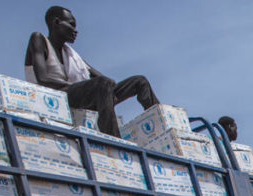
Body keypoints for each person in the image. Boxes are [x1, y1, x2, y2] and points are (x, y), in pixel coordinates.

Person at [25, 6, 160, 138]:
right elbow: (42, 78)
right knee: (103, 84)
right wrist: (99, 87)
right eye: (72, 25)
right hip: (56, 96)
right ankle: (113, 138)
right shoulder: (39, 39)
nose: (75, 31)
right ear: (56, 22)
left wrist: (110, 91)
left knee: (139, 81)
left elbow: (102, 78)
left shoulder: (71, 55)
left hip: (76, 95)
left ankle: (163, 122)